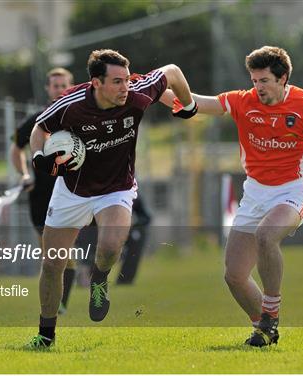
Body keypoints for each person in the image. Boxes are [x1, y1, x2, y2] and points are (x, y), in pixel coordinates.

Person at [160, 46, 303, 347]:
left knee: (267, 236)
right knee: (234, 276)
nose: (258, 87)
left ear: (283, 79)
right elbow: (194, 104)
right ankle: (265, 328)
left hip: (293, 190)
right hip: (254, 191)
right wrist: (153, 90)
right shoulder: (242, 101)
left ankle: (271, 312)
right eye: (254, 80)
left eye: (264, 80)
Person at [26, 49, 197, 349]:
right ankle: (45, 334)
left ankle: (99, 279)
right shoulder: (71, 105)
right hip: (72, 191)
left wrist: (189, 104)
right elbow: (40, 128)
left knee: (109, 246)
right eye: (117, 82)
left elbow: (172, 68)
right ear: (96, 83)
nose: (125, 87)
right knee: (53, 264)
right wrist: (40, 157)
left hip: (116, 188)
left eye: (127, 80)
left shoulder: (137, 93)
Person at [10, 67, 77, 314]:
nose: (59, 90)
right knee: (49, 253)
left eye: (63, 85)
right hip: (40, 196)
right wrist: (25, 175)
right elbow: (15, 148)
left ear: (71, 86)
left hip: (71, 193)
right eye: (54, 86)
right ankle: (58, 302)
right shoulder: (37, 121)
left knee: (62, 251)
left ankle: (60, 303)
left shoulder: (80, 118)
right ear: (48, 89)